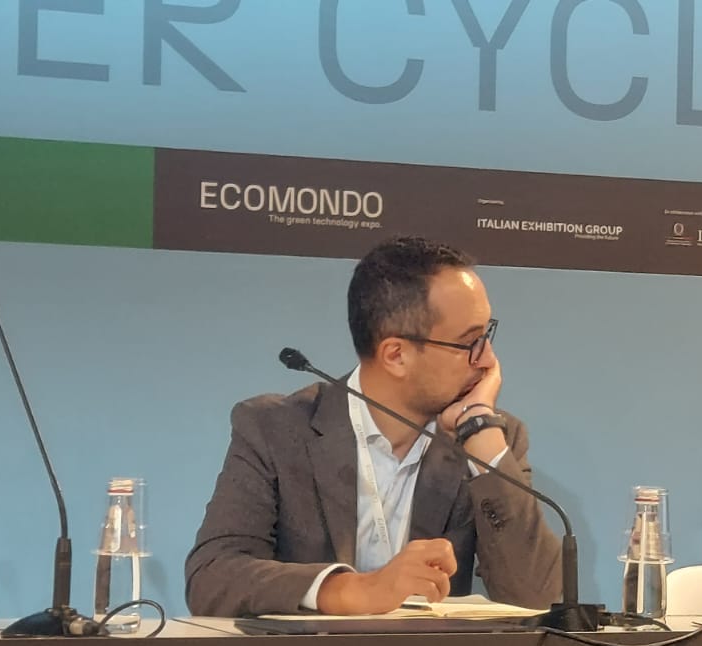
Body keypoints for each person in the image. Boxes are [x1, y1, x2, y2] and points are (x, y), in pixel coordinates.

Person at [185, 237, 561, 617]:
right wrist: (356, 590)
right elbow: (212, 577)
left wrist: (480, 433)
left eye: (486, 336)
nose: (488, 360)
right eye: (470, 343)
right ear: (396, 355)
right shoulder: (275, 429)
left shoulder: (488, 437)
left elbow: (539, 599)